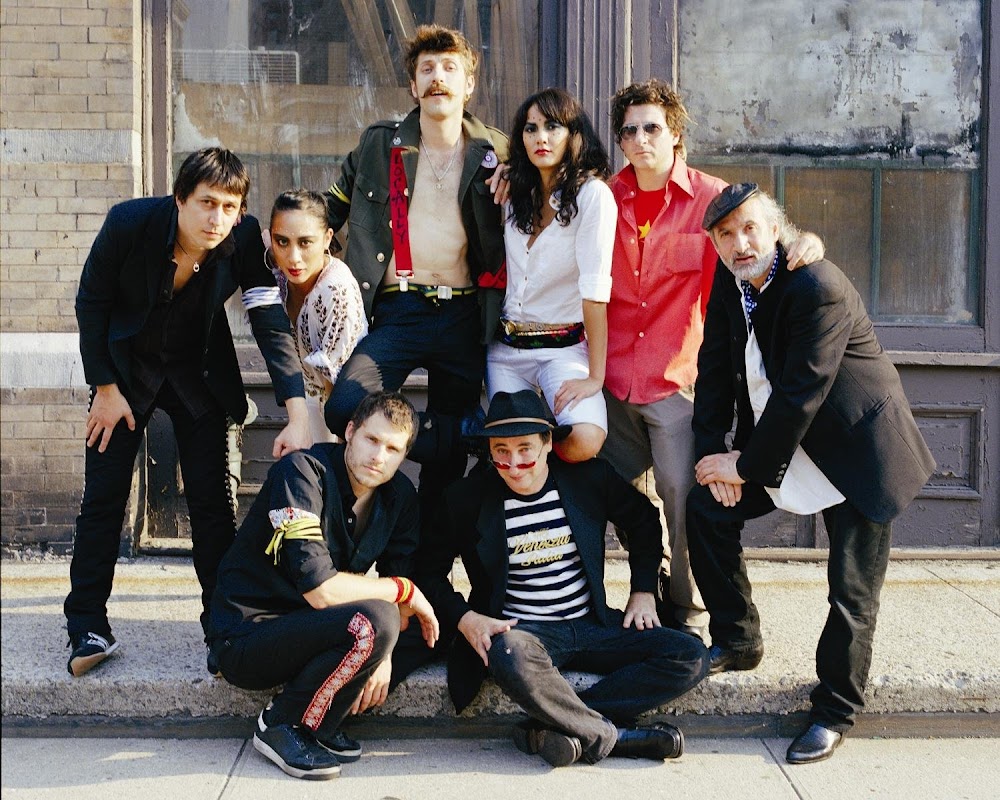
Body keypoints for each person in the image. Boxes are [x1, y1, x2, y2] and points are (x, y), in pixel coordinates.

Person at [689, 183, 935, 764]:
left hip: (856, 448)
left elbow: (802, 393)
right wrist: (711, 458)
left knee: (850, 591)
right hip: (781, 444)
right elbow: (714, 368)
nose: (739, 243)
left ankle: (834, 712)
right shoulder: (730, 279)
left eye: (749, 227)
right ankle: (738, 638)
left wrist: (744, 466)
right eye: (725, 235)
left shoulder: (816, 284)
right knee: (705, 510)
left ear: (776, 228)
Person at [67, 147, 310, 677]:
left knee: (213, 506)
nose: (216, 218)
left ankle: (222, 627)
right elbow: (91, 302)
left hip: (197, 376)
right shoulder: (128, 223)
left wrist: (298, 410)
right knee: (103, 500)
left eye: (229, 206)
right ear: (180, 198)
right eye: (206, 203)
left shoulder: (243, 239)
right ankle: (87, 625)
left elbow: (269, 320)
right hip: (124, 375)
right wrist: (104, 387)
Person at [600, 80, 825, 642]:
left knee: (681, 494)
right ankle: (635, 584)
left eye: (652, 127)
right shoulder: (602, 198)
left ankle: (686, 605)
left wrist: (809, 243)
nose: (640, 139)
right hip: (610, 379)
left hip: (676, 378)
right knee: (603, 490)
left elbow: (763, 242)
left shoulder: (711, 198)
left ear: (675, 133)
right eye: (629, 130)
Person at [420, 390, 709, 768]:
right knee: (508, 655)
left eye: (525, 449)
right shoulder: (466, 498)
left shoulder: (588, 477)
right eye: (501, 451)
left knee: (690, 655)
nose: (514, 464)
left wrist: (643, 589)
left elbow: (642, 520)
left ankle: (550, 727)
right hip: (521, 633)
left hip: (591, 624)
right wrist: (465, 618)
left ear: (548, 444)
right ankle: (615, 738)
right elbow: (426, 571)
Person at [323, 24, 508, 534]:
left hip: (465, 312)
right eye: (427, 68)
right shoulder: (380, 145)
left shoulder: (498, 151)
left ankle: (426, 567)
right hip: (399, 308)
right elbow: (328, 212)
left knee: (445, 473)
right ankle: (454, 433)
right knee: (346, 407)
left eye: (450, 68)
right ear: (413, 84)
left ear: (469, 84)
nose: (437, 77)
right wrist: (287, 246)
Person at [208, 391, 440, 781]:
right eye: (371, 439)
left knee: (423, 627)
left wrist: (383, 654)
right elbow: (322, 590)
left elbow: (399, 598)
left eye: (392, 449)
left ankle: (320, 723)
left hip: (313, 629)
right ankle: (281, 723)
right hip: (249, 636)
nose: (378, 456)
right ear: (350, 432)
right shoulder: (301, 473)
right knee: (376, 619)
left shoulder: (400, 497)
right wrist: (401, 593)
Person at [487, 88, 616, 463]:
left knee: (584, 438)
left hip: (563, 347)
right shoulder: (514, 190)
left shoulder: (592, 196)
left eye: (552, 126)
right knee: (511, 446)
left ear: (574, 134)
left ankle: (550, 479)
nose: (540, 137)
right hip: (506, 349)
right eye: (530, 129)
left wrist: (595, 377)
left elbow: (595, 292)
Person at [265, 189, 368, 443]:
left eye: (305, 243)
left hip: (346, 407)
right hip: (302, 396)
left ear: (327, 238)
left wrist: (336, 453)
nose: (293, 258)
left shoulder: (335, 290)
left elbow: (337, 394)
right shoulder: (277, 266)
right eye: (282, 242)